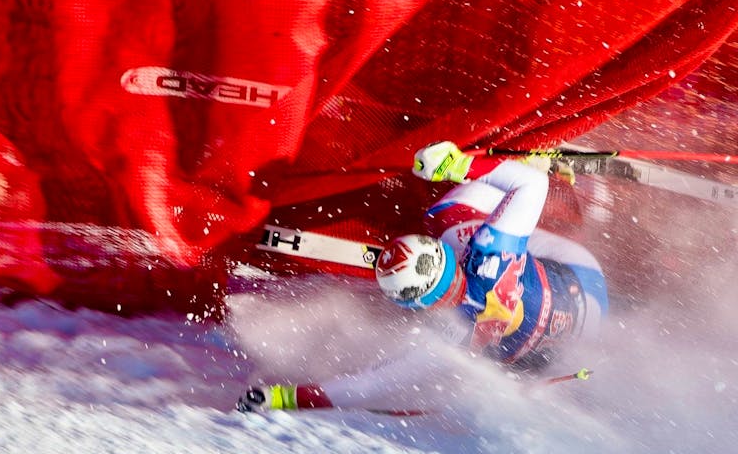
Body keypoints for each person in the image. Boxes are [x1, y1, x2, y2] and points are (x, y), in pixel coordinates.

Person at [237, 142, 608, 413]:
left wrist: (279, 398)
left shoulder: (444, 342)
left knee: (484, 353)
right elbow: (533, 186)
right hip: (583, 280)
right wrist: (458, 165)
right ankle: (528, 159)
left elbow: (364, 388)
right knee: (447, 214)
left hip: (572, 344)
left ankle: (515, 171)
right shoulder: (490, 250)